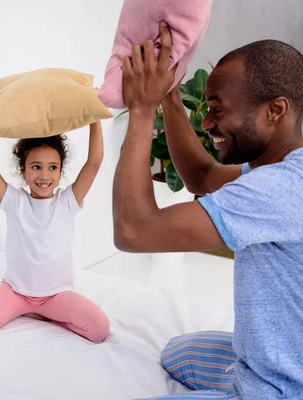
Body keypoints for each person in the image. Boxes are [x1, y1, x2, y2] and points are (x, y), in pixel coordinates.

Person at [114, 21, 303, 399]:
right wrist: (167, 96)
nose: (207, 120)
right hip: (264, 363)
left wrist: (142, 109)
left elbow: (134, 232)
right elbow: (202, 176)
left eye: (218, 109)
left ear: (275, 110)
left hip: (283, 389)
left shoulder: (282, 189)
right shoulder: (280, 169)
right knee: (174, 352)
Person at [0, 123, 110, 343]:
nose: (44, 175)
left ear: (61, 171)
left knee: (99, 330)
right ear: (23, 171)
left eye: (52, 167)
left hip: (55, 295)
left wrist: (95, 120)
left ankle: (32, 313)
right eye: (36, 167)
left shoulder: (68, 202)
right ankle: (15, 307)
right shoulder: (14, 201)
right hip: (15, 293)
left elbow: (94, 162)